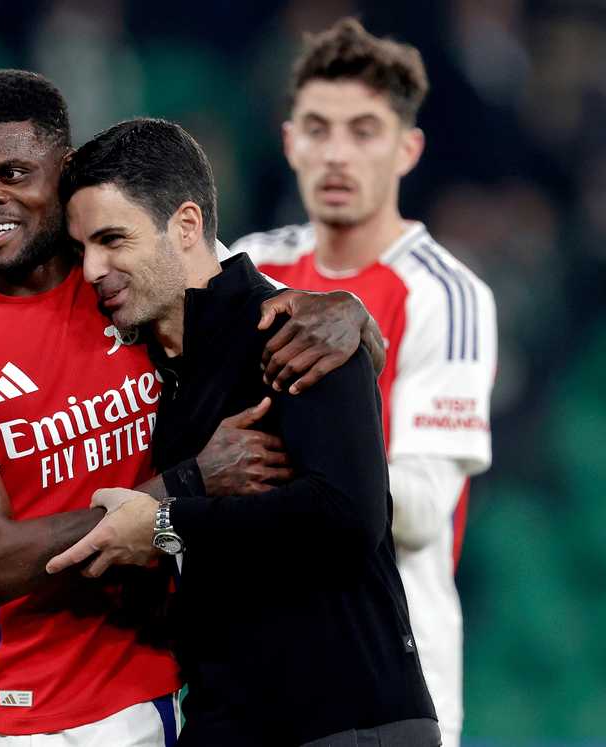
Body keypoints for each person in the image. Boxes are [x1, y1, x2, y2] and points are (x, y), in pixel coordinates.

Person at [0, 69, 382, 746]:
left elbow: (268, 314)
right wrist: (188, 484)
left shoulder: (130, 277)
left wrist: (350, 313)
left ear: (65, 169)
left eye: (12, 173)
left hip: (150, 699)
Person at [48, 118, 440, 746]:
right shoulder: (155, 376)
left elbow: (348, 517)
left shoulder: (301, 333)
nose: (93, 268)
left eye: (112, 239)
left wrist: (168, 523)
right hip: (227, 720)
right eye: (81, 250)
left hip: (346, 720)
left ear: (186, 225)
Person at [230, 20, 498, 747]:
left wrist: (278, 473)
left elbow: (422, 508)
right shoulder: (249, 267)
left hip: (389, 676)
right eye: (318, 129)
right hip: (258, 665)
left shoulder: (448, 294)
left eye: (364, 130)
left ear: (407, 149)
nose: (337, 153)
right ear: (291, 142)